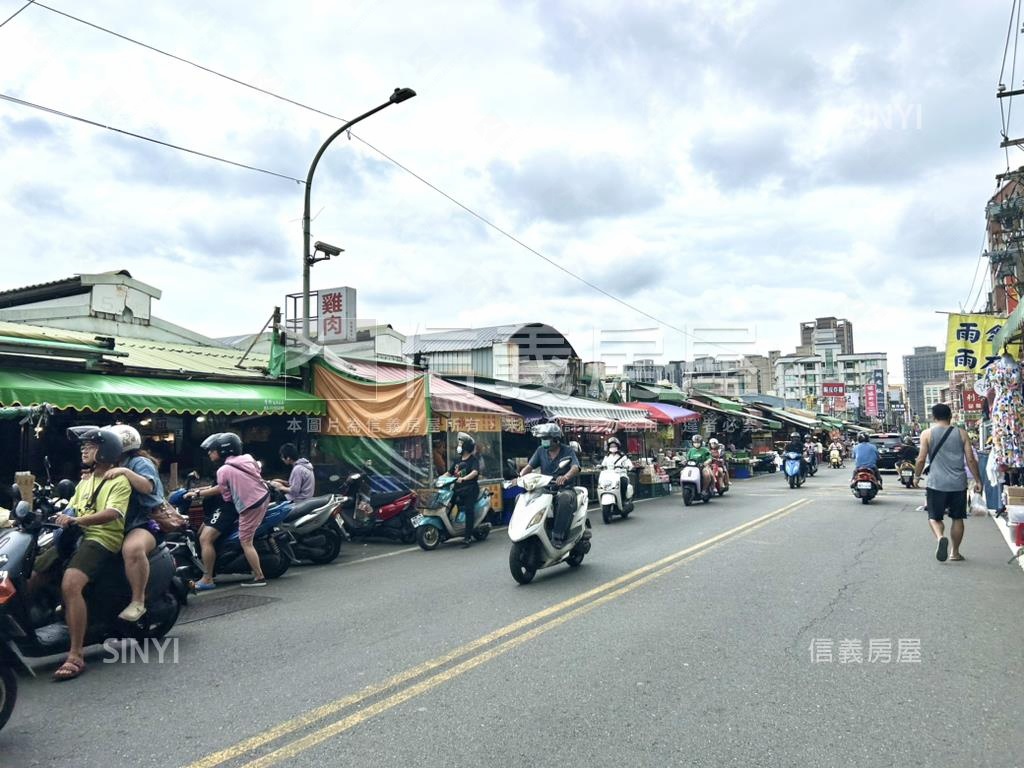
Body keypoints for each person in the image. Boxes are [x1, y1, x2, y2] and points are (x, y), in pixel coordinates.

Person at [30, 427, 131, 681]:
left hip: (102, 538)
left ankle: (76, 654)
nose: (84, 449)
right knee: (33, 573)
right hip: (77, 536)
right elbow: (71, 508)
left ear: (106, 450)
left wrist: (78, 521)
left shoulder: (118, 480)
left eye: (90, 445)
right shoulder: (85, 482)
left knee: (71, 584)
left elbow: (114, 513)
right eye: (83, 446)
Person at [187, 432, 270, 588]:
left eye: (212, 450)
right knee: (201, 534)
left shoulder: (223, 470)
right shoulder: (247, 459)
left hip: (247, 505)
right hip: (263, 496)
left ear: (223, 451)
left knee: (241, 541)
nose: (209, 453)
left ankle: (210, 578)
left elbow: (226, 496)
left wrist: (199, 493)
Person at [105, 424, 165, 623]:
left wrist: (125, 472)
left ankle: (138, 601)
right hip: (117, 522)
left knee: (132, 549)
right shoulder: (114, 464)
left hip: (143, 522)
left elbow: (147, 487)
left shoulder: (138, 462)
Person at [913, 403, 982, 562]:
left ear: (933, 417)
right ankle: (955, 553)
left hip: (936, 483)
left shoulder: (927, 434)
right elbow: (970, 459)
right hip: (958, 484)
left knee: (934, 517)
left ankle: (940, 537)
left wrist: (916, 477)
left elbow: (921, 459)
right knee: (957, 518)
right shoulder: (962, 433)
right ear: (950, 416)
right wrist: (978, 480)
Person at [520, 423, 580, 547]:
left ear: (556, 439)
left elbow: (575, 467)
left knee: (564, 499)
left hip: (564, 488)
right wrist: (521, 476)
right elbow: (529, 467)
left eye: (546, 438)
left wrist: (565, 477)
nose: (543, 441)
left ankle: (558, 536)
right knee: (523, 498)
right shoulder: (540, 451)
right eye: (542, 439)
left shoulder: (567, 450)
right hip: (545, 488)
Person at [448, 432, 481, 548]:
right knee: (447, 504)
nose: (459, 445)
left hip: (470, 489)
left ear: (466, 446)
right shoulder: (457, 460)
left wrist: (464, 478)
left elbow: (475, 472)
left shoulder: (473, 460)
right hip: (457, 489)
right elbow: (449, 473)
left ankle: (467, 537)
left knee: (469, 510)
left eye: (461, 443)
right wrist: (440, 478)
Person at [601, 436, 633, 508]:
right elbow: (603, 465)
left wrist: (628, 466)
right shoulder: (607, 457)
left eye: (614, 446)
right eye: (611, 446)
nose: (613, 447)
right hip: (610, 477)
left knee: (623, 482)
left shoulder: (622, 456)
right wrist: (600, 466)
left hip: (621, 475)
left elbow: (629, 464)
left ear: (618, 446)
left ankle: (623, 499)